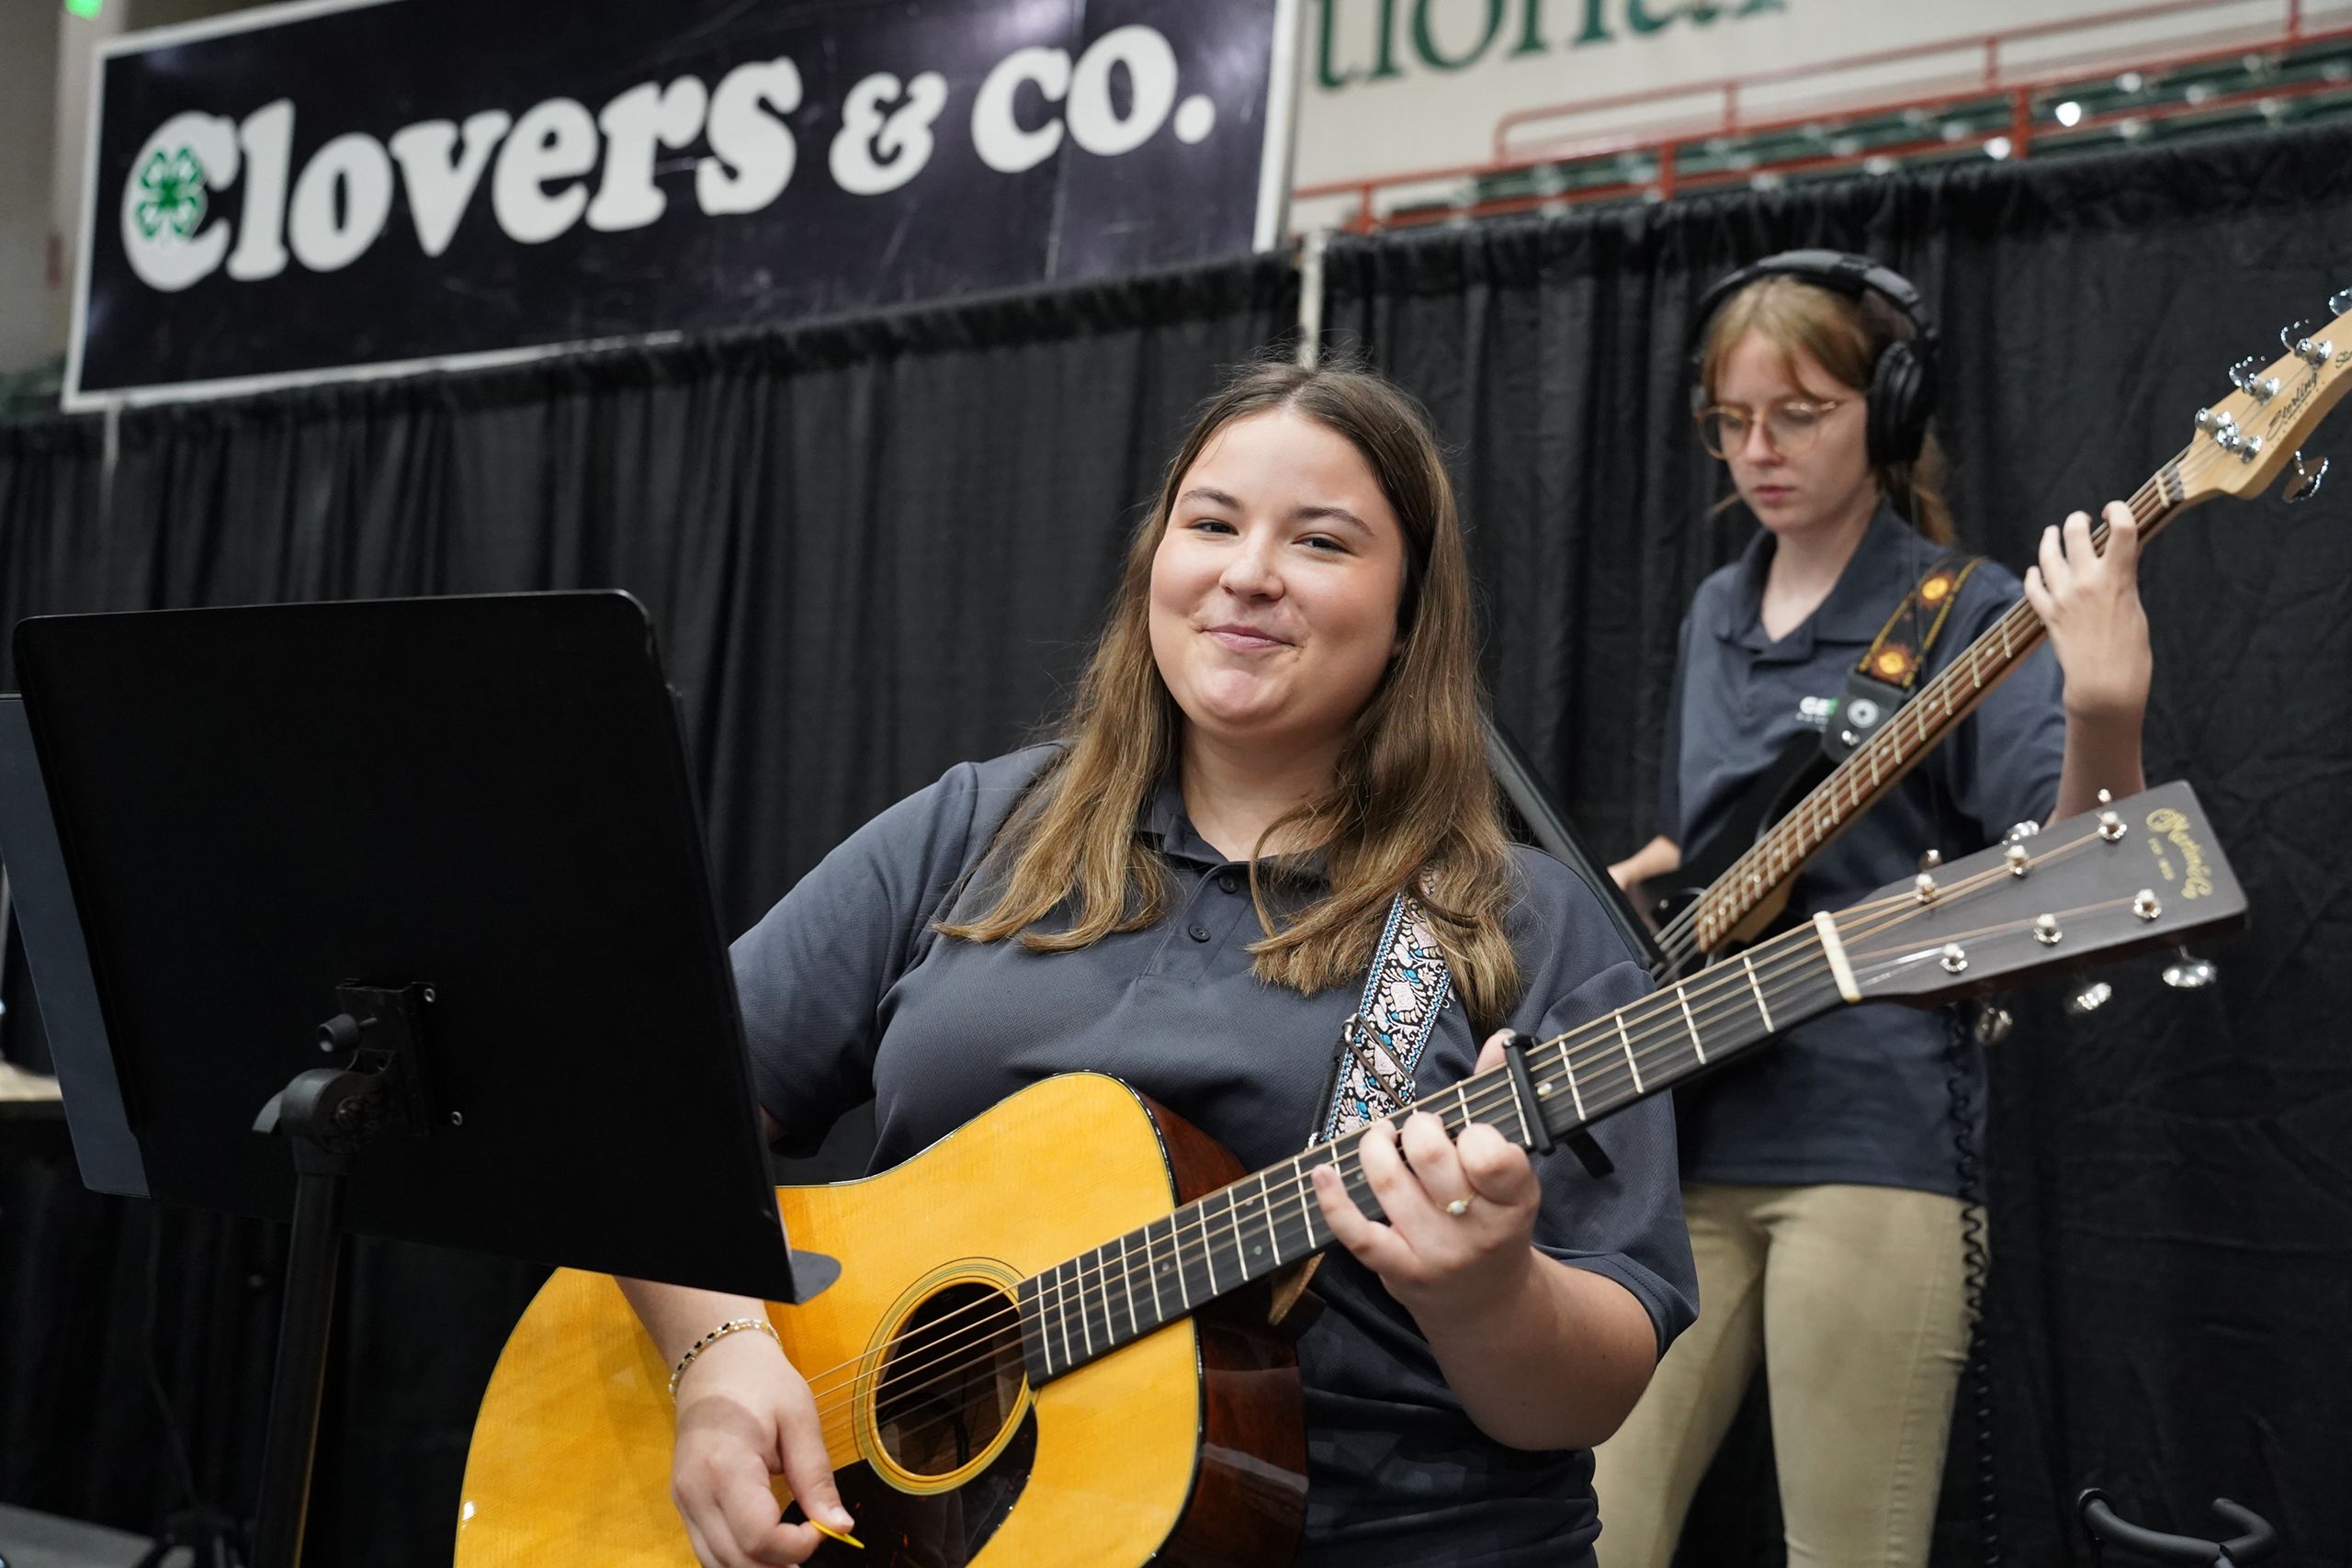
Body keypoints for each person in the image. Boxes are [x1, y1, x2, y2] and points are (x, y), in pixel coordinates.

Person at [618, 359, 1700, 1568]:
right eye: (1213, 524)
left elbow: (1585, 1395)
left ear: (1408, 618)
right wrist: (720, 1359)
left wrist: (1489, 1291)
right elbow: (649, 1112)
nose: (1249, 573)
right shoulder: (974, 830)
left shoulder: (1521, 921)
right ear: (1155, 563)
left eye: (1324, 542)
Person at [1595, 254, 2151, 1568]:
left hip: (1871, 1139)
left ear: (1888, 412)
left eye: (1800, 414)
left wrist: (2105, 709)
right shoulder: (1715, 608)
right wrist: (1633, 887)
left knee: (1847, 1549)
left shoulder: (1968, 610)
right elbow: (1724, 834)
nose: (1759, 452)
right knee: (1593, 1530)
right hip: (1687, 1126)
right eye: (1731, 422)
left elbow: (2073, 865)